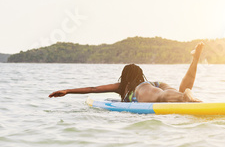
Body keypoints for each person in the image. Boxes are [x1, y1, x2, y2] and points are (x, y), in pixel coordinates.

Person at [48, 42, 205, 102]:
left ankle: (186, 96)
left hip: (144, 88)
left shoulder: (125, 86)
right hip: (158, 83)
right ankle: (193, 63)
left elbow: (93, 89)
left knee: (160, 96)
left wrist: (67, 91)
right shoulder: (145, 83)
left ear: (125, 77)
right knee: (170, 92)